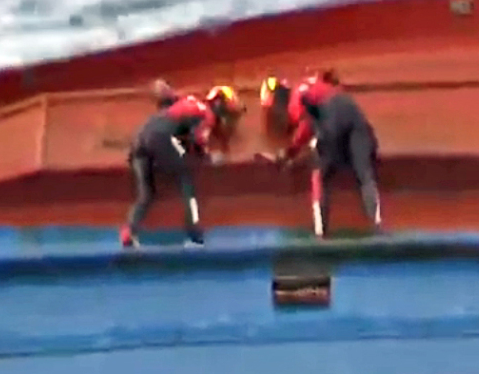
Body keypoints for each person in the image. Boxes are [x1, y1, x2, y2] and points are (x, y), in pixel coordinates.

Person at [258, 70, 382, 238]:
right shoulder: (313, 86)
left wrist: (290, 152)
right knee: (364, 173)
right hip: (352, 111)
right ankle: (377, 223)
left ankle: (320, 232)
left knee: (320, 173)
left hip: (331, 116)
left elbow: (307, 126)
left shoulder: (296, 97)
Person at [121, 82, 244, 248]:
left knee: (146, 194)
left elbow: (169, 102)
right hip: (163, 138)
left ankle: (129, 232)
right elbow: (199, 139)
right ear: (219, 106)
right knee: (187, 180)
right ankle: (194, 235)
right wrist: (209, 157)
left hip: (140, 141)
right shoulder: (206, 114)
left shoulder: (188, 101)